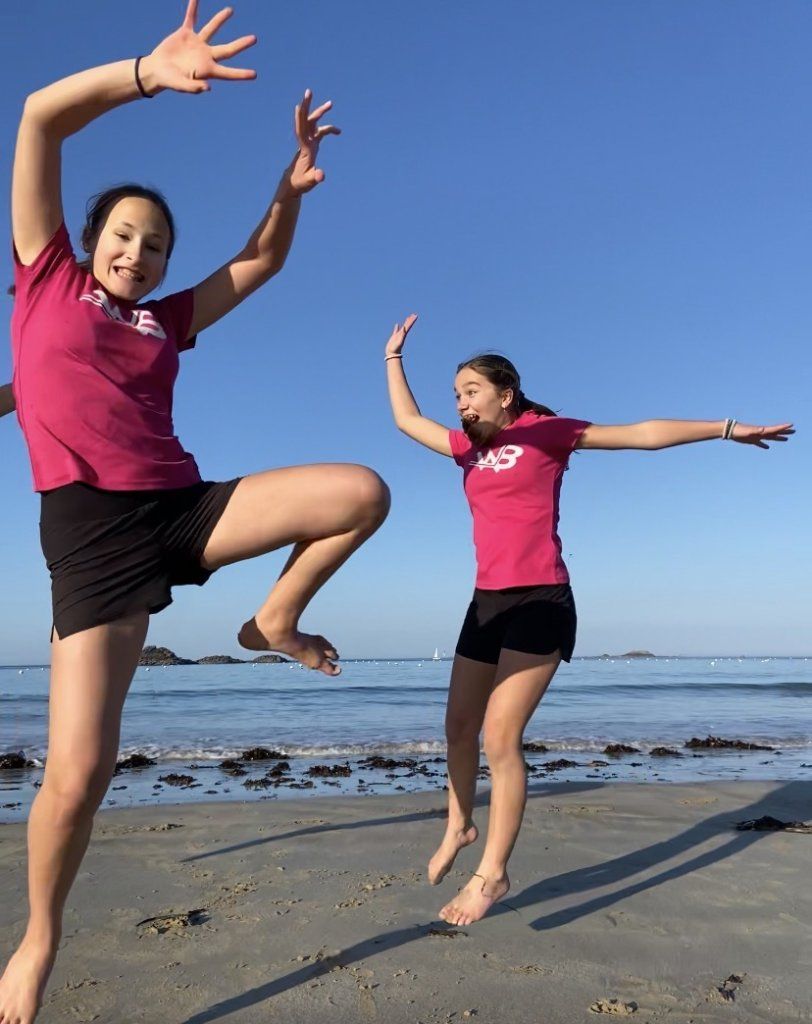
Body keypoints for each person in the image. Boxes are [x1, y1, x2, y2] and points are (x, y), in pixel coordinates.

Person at [0, 4, 390, 1021]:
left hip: (184, 505)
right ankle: (39, 934)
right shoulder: (44, 279)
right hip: (91, 534)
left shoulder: (164, 318)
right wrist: (145, 70)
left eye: (157, 243)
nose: (140, 251)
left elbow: (255, 265)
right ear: (90, 242)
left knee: (361, 491)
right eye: (125, 236)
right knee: (79, 772)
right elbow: (39, 117)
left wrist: (287, 188)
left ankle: (271, 620)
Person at [384, 313, 793, 928]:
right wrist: (393, 360)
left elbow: (643, 434)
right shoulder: (469, 447)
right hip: (485, 602)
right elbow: (406, 421)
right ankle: (460, 823)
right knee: (458, 729)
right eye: (456, 395)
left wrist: (727, 428)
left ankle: (492, 874)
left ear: (506, 393)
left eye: (470, 391)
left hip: (541, 600)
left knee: (500, 736)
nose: (461, 404)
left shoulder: (547, 433)